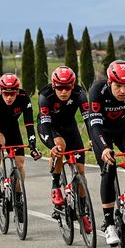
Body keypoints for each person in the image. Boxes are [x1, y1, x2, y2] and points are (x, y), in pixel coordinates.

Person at [88, 60, 125, 245]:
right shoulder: (97, 90)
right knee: (109, 166)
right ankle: (109, 223)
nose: (123, 91)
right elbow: (94, 124)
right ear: (110, 82)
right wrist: (104, 148)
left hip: (123, 127)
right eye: (118, 86)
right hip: (101, 130)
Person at [37, 66, 92, 232]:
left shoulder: (80, 94)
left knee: (81, 172)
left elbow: (89, 119)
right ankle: (55, 186)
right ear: (54, 86)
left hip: (70, 127)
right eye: (60, 88)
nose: (63, 92)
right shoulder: (45, 96)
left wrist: (92, 138)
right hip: (50, 127)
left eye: (67, 87)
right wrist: (52, 146)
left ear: (72, 85)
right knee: (60, 147)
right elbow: (45, 123)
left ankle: (82, 212)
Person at [0, 73, 41, 209]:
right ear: (0, 91)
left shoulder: (23, 97)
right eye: (6, 94)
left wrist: (33, 145)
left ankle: (18, 196)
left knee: (20, 163)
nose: (9, 97)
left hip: (13, 128)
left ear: (17, 92)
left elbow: (29, 124)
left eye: (12, 94)